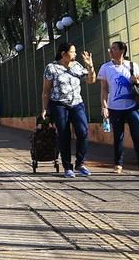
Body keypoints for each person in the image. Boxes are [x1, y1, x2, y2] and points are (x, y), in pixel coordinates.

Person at [40, 42, 96, 179]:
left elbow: (91, 80)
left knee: (83, 132)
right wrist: (44, 109)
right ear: (63, 54)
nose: (75, 54)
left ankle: (80, 163)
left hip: (77, 104)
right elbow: (46, 91)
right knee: (64, 135)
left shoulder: (77, 66)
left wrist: (90, 66)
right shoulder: (51, 68)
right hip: (59, 104)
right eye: (73, 52)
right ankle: (67, 167)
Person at [99, 40, 139, 176]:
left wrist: (138, 81)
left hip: (132, 107)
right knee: (118, 137)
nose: (111, 51)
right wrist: (104, 106)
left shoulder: (132, 66)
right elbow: (104, 89)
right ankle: (118, 164)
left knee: (137, 136)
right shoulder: (106, 68)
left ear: (122, 51)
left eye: (114, 49)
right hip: (114, 108)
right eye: (110, 49)